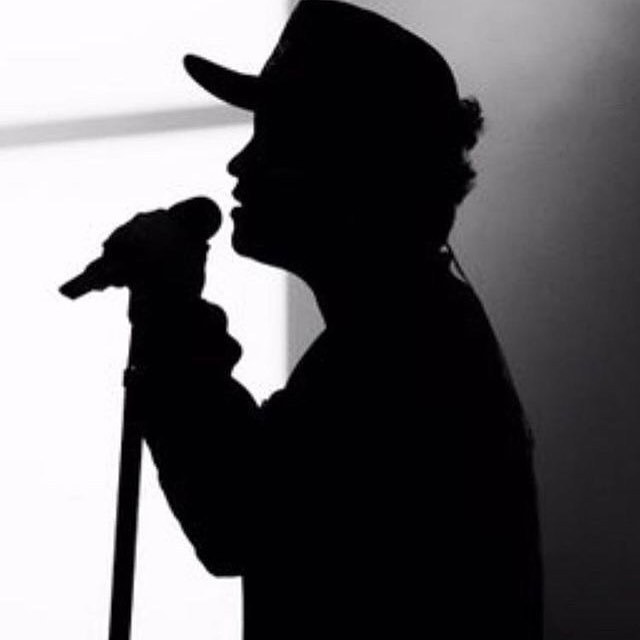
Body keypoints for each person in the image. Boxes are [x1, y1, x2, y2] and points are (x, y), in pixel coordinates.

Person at [120, 1, 543, 637]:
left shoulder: (405, 355)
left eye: (275, 141)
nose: (241, 165)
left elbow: (236, 514)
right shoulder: (409, 330)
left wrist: (171, 309)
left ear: (353, 169)